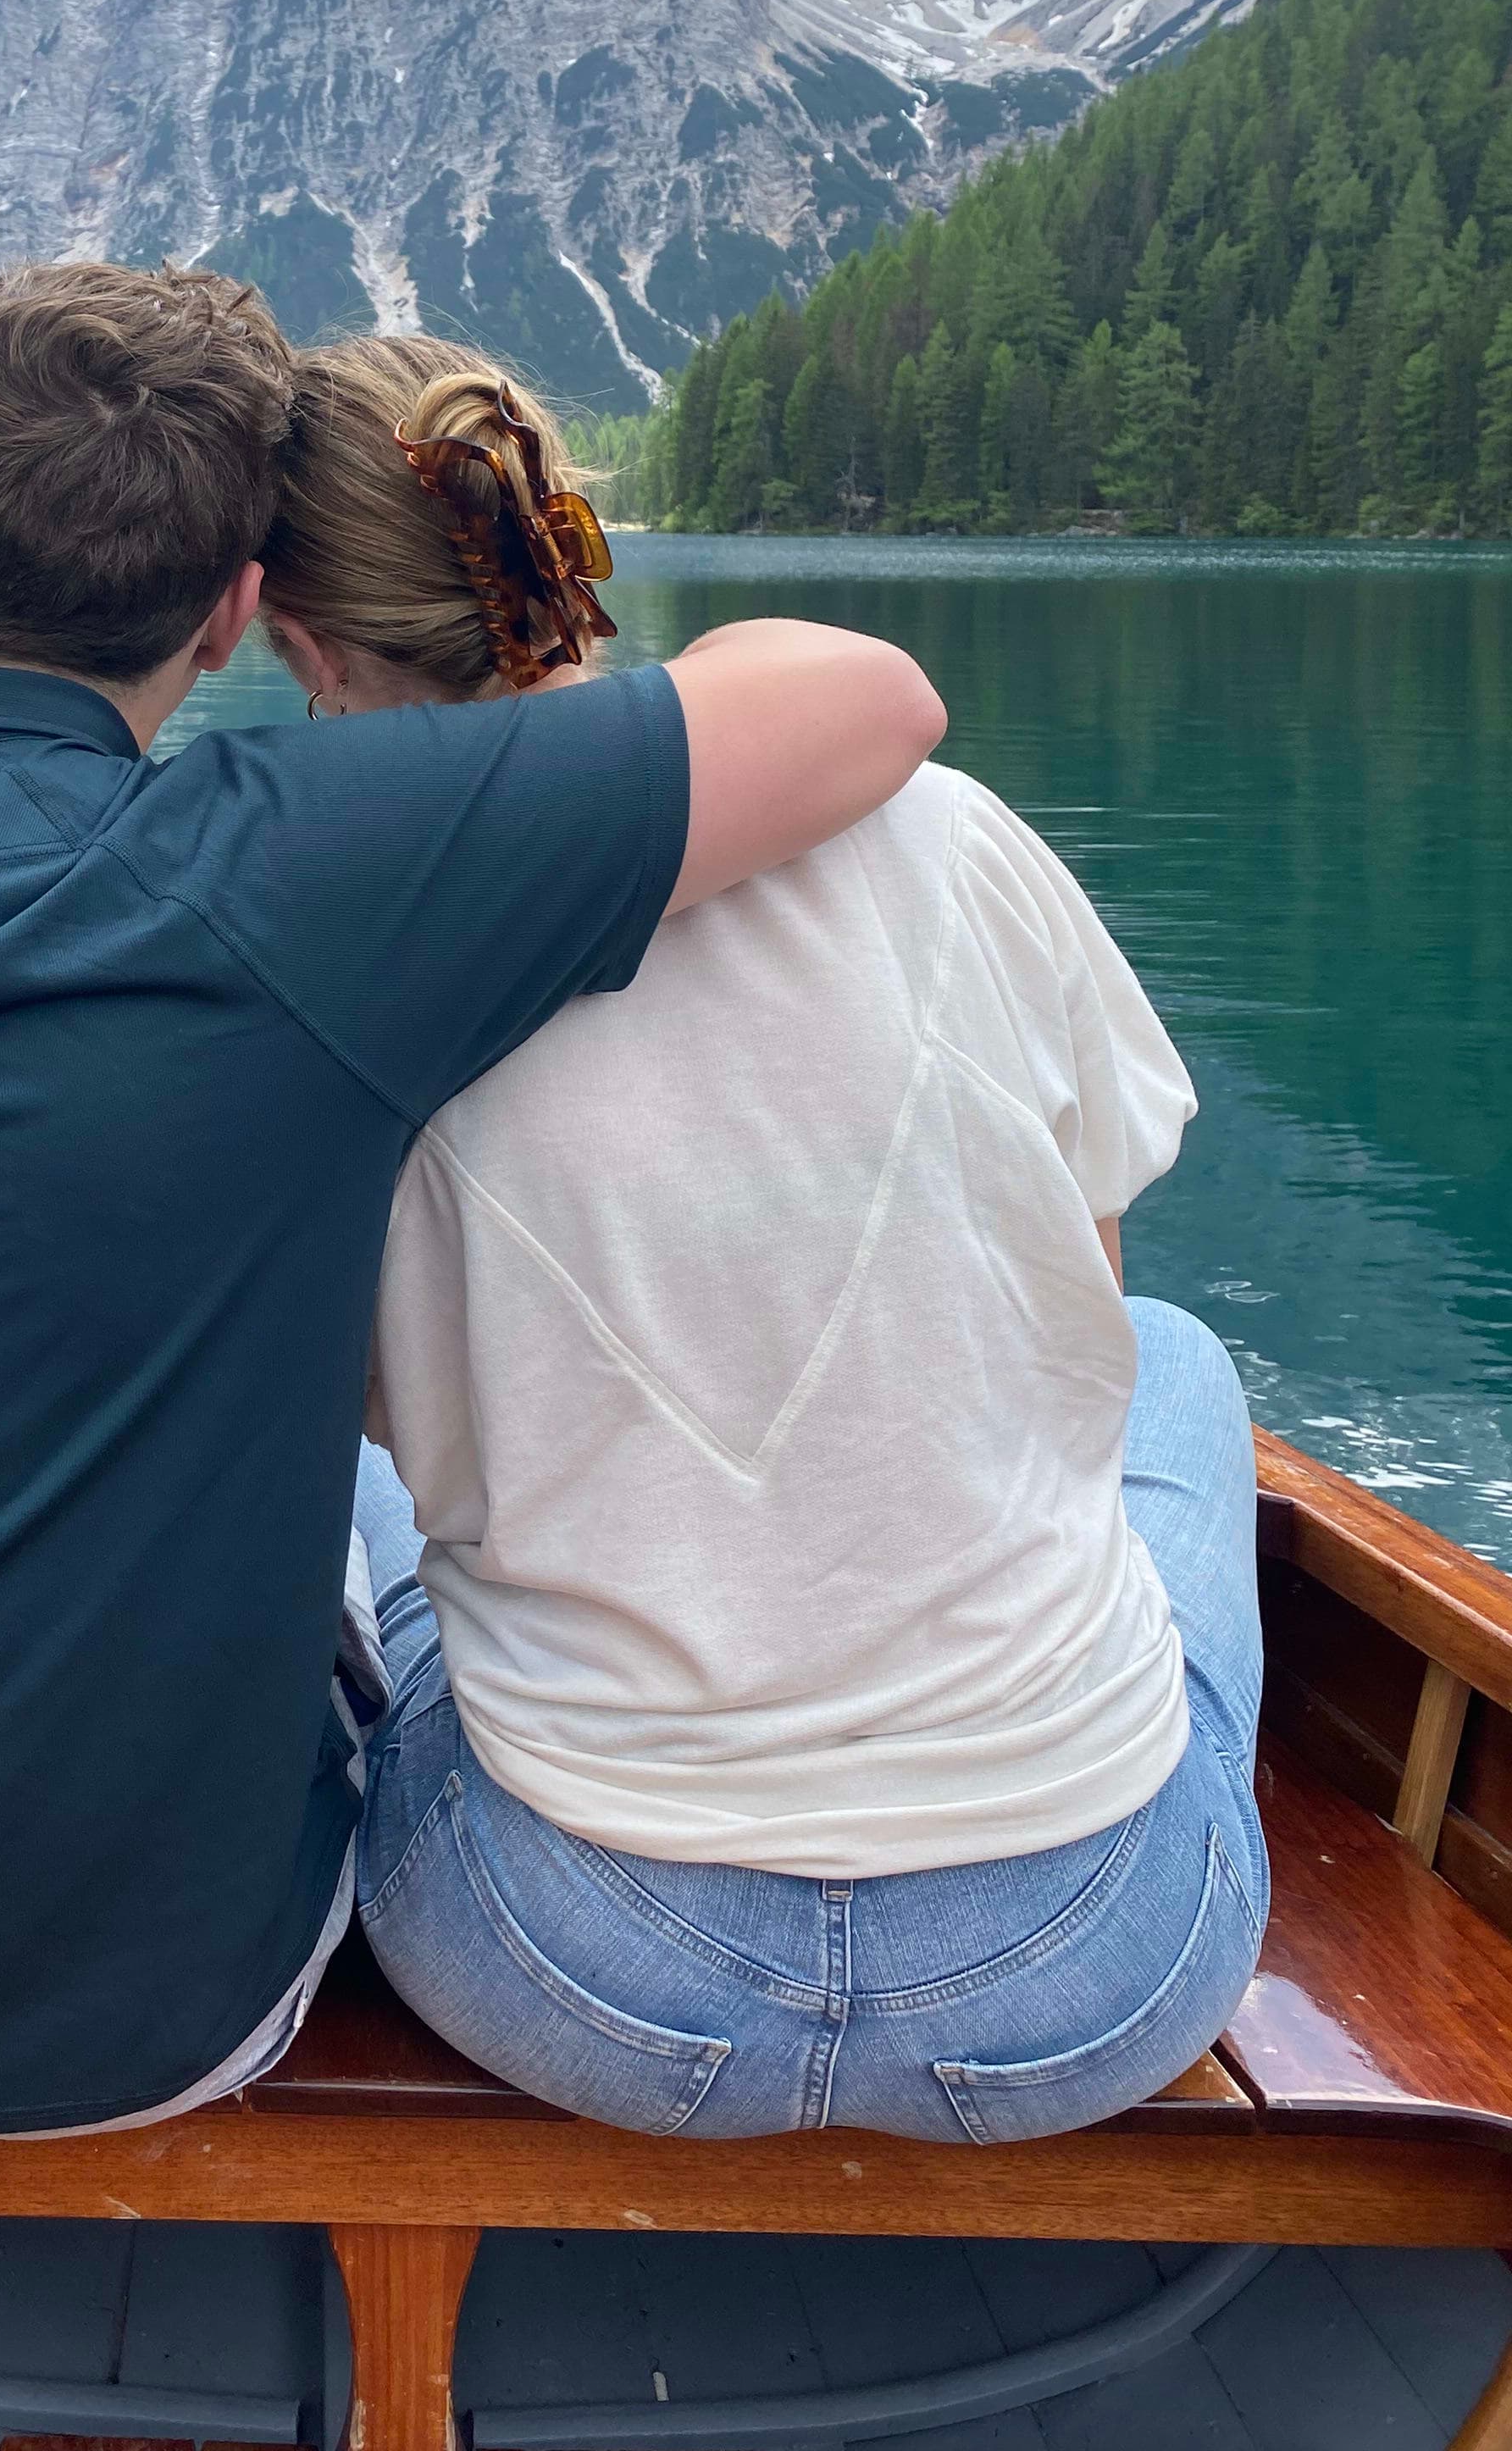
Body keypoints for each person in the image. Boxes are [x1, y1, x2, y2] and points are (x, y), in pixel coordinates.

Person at [0, 263, 944, 2138]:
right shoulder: (296, 880)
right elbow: (870, 700)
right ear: (232, 619)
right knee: (377, 1489)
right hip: (144, 2025)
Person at [259, 336, 1266, 2143]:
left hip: (584, 1969)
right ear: (559, 538)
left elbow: (365, 1405)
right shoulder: (946, 833)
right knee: (1180, 1362)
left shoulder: (334, 964)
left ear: (301, 644)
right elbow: (1086, 1286)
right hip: (1092, 1965)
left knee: (378, 1497)